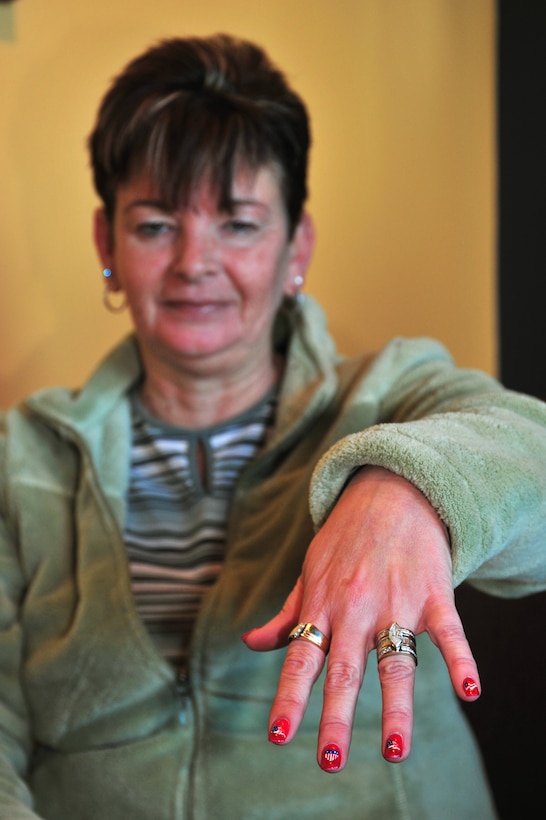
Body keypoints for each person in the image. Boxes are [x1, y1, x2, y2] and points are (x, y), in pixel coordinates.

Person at [0, 33, 544, 820]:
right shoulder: (24, 457)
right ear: (105, 244)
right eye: (155, 225)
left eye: (239, 223)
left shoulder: (387, 391)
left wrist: (409, 489)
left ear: (297, 246)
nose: (195, 261)